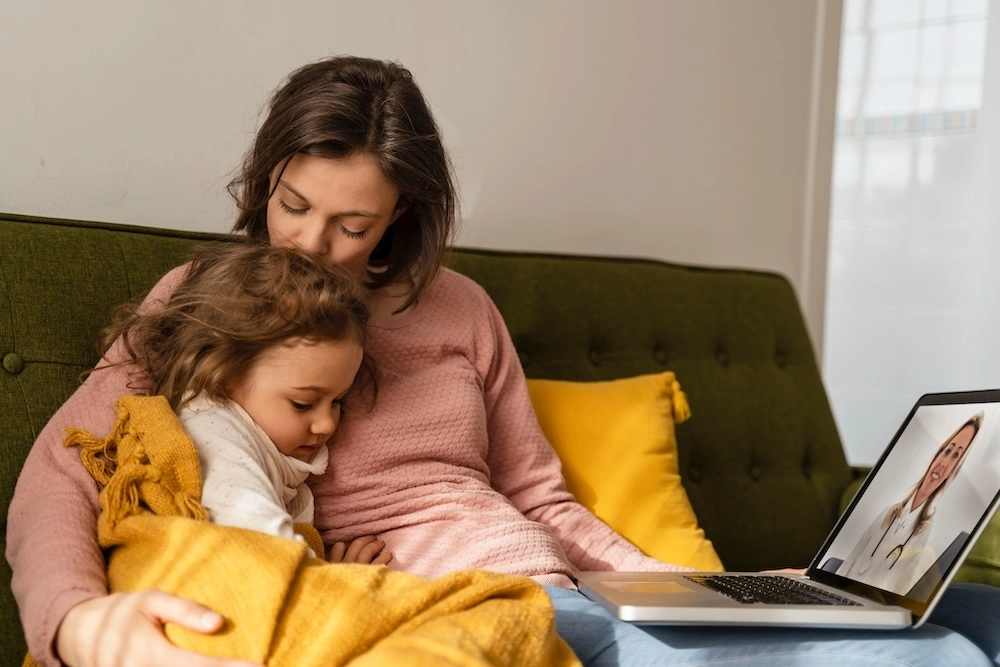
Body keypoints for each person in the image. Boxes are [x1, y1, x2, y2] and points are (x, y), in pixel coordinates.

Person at [7, 55, 1000, 667]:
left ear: (403, 216)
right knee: (932, 657)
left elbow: (542, 497)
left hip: (566, 582)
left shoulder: (461, 310)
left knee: (967, 612)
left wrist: (710, 587)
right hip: (474, 617)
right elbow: (60, 471)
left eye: (352, 224)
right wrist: (75, 623)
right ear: (266, 176)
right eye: (292, 205)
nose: (307, 246)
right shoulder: (204, 301)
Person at [93, 241, 390, 565]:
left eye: (338, 401)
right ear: (223, 377)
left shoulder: (258, 439)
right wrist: (338, 581)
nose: (328, 424)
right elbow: (262, 544)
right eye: (302, 404)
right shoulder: (214, 431)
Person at [838, 413, 983, 596]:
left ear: (956, 470)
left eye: (956, 456)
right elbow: (850, 560)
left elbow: (900, 592)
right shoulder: (889, 512)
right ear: (937, 454)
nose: (944, 464)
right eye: (947, 451)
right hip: (843, 592)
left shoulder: (928, 531)